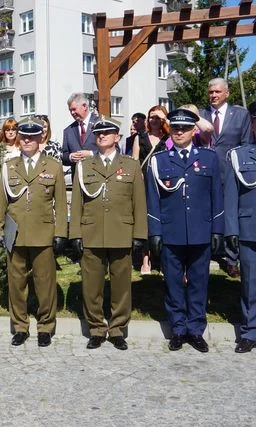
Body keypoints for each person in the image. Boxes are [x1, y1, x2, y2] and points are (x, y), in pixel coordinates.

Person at [146, 108, 224, 353]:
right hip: (172, 232)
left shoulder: (209, 158)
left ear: (194, 131)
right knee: (173, 284)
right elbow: (152, 199)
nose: (179, 132)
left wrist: (218, 230)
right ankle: (178, 329)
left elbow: (217, 197)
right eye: (175, 128)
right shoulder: (159, 160)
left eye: (184, 128)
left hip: (201, 231)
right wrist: (155, 232)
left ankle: (196, 329)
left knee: (200, 283)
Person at [69, 117, 147, 351]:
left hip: (121, 232)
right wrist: (76, 235)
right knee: (91, 285)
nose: (102, 136)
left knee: (121, 285)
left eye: (108, 132)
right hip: (91, 231)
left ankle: (117, 329)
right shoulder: (84, 167)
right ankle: (96, 328)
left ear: (117, 137)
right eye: (98, 133)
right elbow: (77, 203)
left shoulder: (131, 166)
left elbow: (139, 203)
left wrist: (139, 234)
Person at [0, 117, 68, 347]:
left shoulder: (53, 167)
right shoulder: (9, 167)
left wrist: (60, 233)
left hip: (43, 232)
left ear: (40, 138)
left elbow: (61, 204)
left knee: (45, 282)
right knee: (16, 283)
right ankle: (20, 326)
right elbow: (1, 201)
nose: (26, 140)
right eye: (23, 136)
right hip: (15, 233)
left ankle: (45, 326)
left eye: (31, 136)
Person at [200, 77, 253, 279]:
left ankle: (232, 259)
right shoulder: (201, 114)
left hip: (232, 174)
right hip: (205, 174)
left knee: (232, 216)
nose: (213, 95)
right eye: (211, 92)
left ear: (227, 93)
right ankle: (205, 255)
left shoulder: (240, 115)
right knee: (206, 215)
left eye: (217, 92)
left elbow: (246, 144)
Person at [225, 144, 256, 353]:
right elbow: (231, 196)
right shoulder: (239, 155)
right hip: (249, 230)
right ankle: (250, 332)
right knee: (250, 286)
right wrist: (231, 231)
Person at [133, 105, 170, 275]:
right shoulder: (140, 137)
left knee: (164, 219)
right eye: (151, 117)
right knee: (146, 220)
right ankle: (145, 259)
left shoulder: (168, 138)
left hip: (163, 183)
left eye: (158, 117)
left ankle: (163, 260)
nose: (154, 120)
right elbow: (135, 161)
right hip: (144, 183)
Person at [61, 93, 99, 172]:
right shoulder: (68, 131)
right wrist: (70, 157)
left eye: (74, 109)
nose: (72, 113)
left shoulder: (100, 124)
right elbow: (64, 156)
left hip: (98, 177)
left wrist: (91, 154)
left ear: (84, 106)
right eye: (70, 110)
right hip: (77, 180)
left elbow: (114, 150)